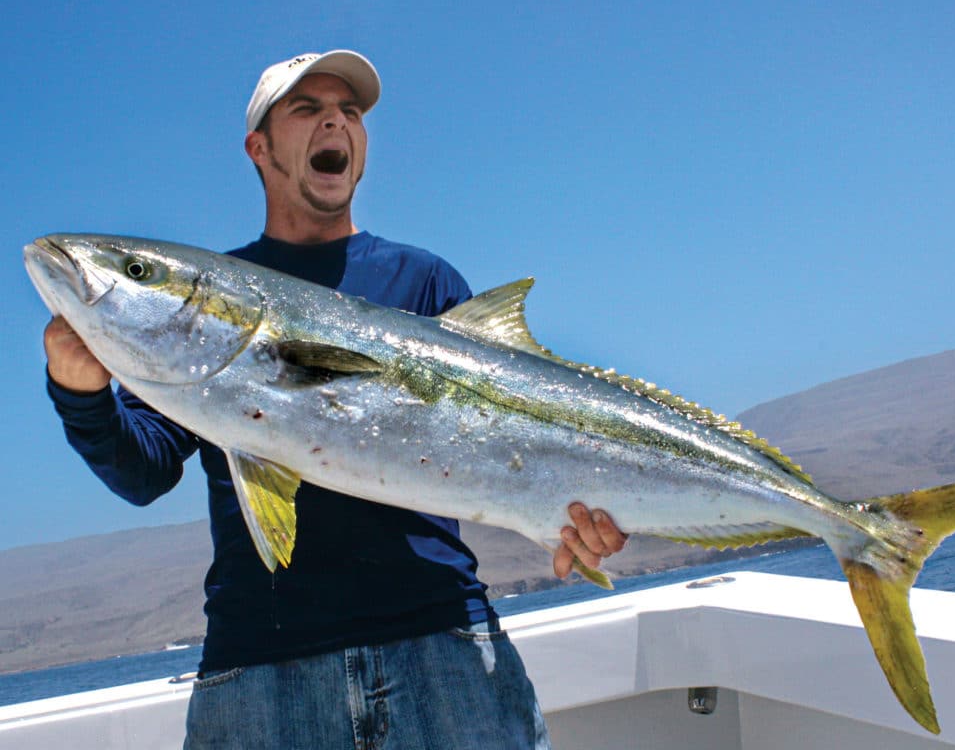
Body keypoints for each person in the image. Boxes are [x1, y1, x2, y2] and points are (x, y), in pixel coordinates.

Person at [42, 50, 627, 750]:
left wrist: (578, 514)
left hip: (444, 652)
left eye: (349, 113)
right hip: (261, 671)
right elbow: (143, 473)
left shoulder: (425, 281)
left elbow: (516, 440)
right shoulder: (200, 329)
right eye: (308, 110)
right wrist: (81, 391)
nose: (336, 124)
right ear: (259, 147)